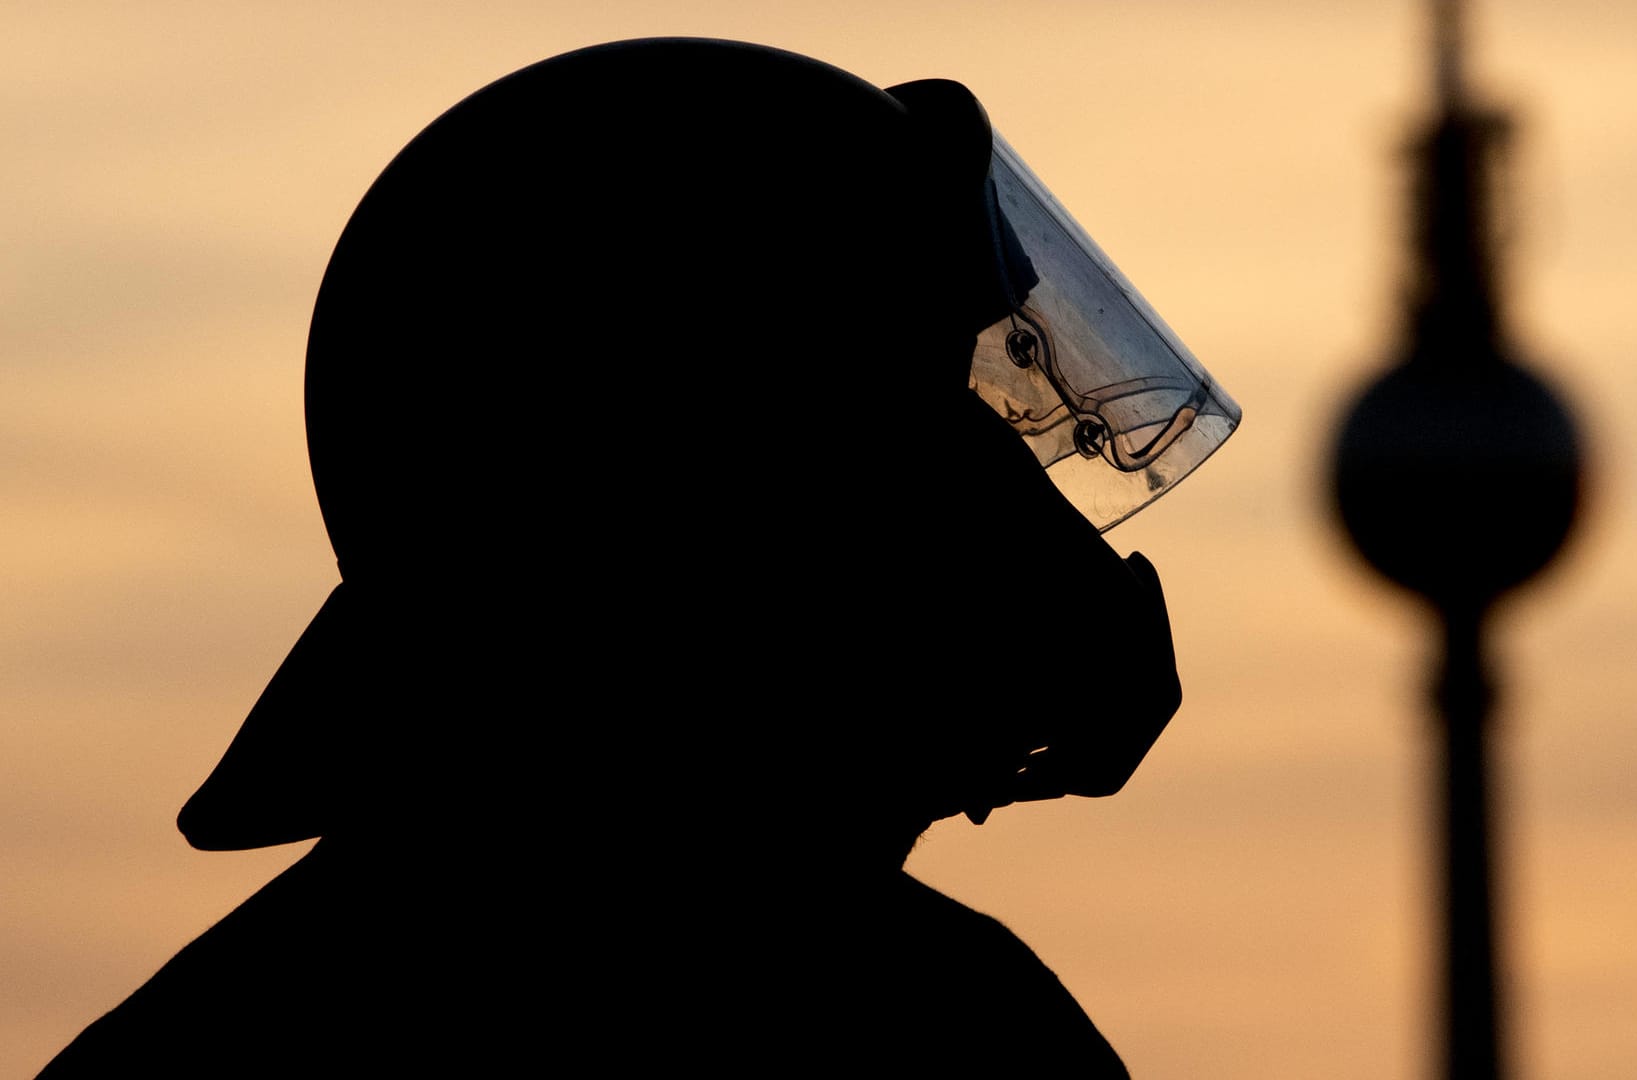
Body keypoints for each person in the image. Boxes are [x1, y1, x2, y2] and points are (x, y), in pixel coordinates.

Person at [39, 38, 1238, 1076]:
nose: (1005, 512)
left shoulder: (252, 1015)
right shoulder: (923, 1024)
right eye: (910, 442)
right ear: (702, 513)